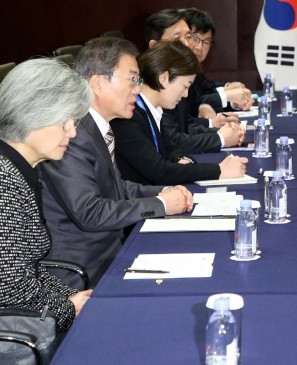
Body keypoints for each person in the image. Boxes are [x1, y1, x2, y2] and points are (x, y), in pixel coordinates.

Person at [38, 38, 194, 287]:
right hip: (84, 272)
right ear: (98, 83)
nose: (138, 89)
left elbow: (116, 187)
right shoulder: (70, 135)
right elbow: (90, 213)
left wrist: (163, 192)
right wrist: (160, 204)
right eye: (132, 79)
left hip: (111, 252)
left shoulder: (95, 127)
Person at [0, 59, 93, 332]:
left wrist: (70, 297)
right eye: (65, 123)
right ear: (31, 114)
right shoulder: (4, 179)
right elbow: (9, 285)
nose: (73, 133)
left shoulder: (21, 167)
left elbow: (29, 269)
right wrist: (68, 309)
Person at [110, 40, 248, 185]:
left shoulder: (152, 109)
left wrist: (184, 160)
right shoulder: (127, 116)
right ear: (164, 79)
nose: (186, 94)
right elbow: (159, 171)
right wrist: (219, 170)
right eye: (184, 86)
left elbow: (169, 150)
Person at [143, 9, 244, 153]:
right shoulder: (152, 82)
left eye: (189, 36)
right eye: (177, 38)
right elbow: (172, 141)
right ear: (154, 46)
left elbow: (184, 125)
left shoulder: (179, 77)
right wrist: (221, 139)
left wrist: (218, 130)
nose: (188, 44)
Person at [179, 8, 253, 120]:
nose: (199, 47)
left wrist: (232, 96)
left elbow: (205, 88)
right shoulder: (175, 70)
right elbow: (192, 105)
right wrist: (226, 95)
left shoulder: (194, 68)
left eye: (206, 42)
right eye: (194, 38)